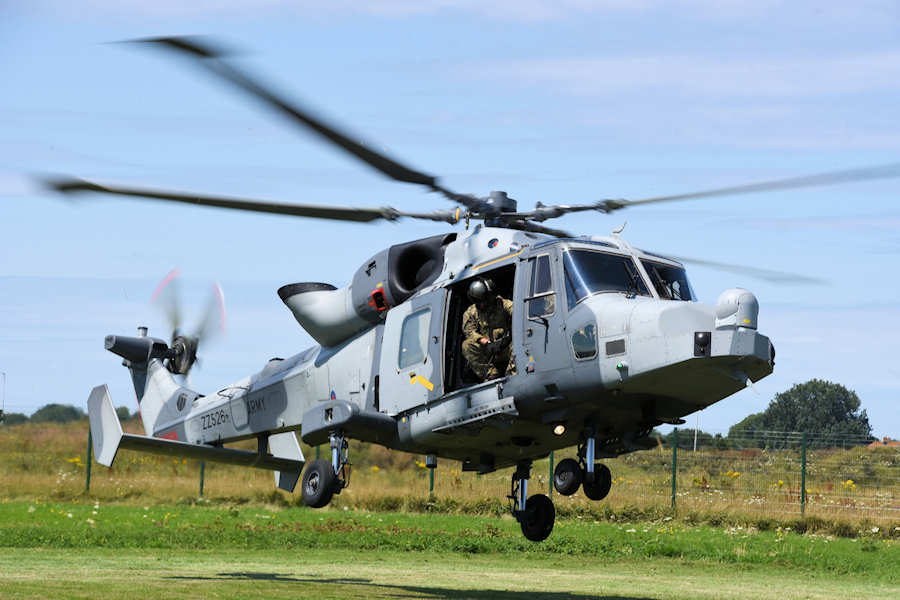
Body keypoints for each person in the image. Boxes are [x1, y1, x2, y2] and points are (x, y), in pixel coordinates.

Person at [461, 278, 515, 381]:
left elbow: (517, 311)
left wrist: (505, 341)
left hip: (506, 348)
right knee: (467, 345)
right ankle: (491, 373)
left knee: (518, 342)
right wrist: (487, 343)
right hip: (488, 352)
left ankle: (512, 374)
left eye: (486, 300)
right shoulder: (471, 313)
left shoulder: (503, 305)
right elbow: (469, 331)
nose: (484, 304)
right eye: (480, 301)